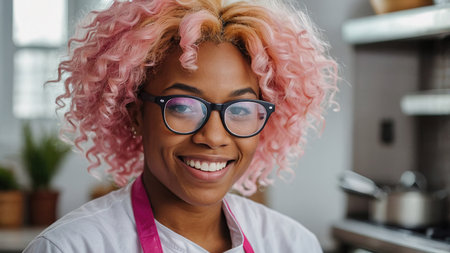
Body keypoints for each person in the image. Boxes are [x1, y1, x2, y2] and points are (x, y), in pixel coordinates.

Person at [24, 0, 338, 252]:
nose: (213, 137)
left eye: (241, 109)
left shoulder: (293, 244)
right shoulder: (71, 247)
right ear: (135, 112)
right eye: (183, 106)